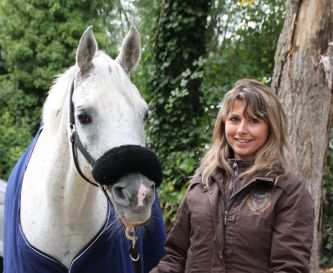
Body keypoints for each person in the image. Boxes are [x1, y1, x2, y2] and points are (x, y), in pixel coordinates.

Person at [150, 79, 314, 273]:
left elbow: (289, 268)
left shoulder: (287, 190)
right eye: (234, 119)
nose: (241, 130)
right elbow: (176, 256)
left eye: (254, 120)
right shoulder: (202, 183)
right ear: (223, 123)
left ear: (271, 128)